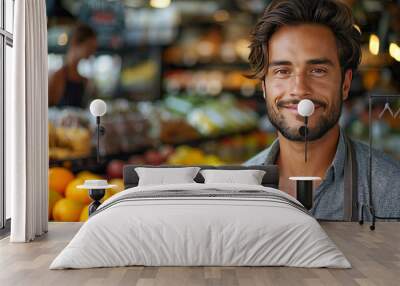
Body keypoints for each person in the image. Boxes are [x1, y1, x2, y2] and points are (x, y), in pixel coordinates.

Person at [244, 0, 400, 221]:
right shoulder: (237, 190)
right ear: (264, 86)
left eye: (318, 70)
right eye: (282, 71)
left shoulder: (392, 190)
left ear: (345, 85)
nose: (299, 89)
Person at [49, 23, 97, 108]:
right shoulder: (58, 76)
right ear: (75, 42)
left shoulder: (84, 80)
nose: (92, 51)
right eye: (90, 46)